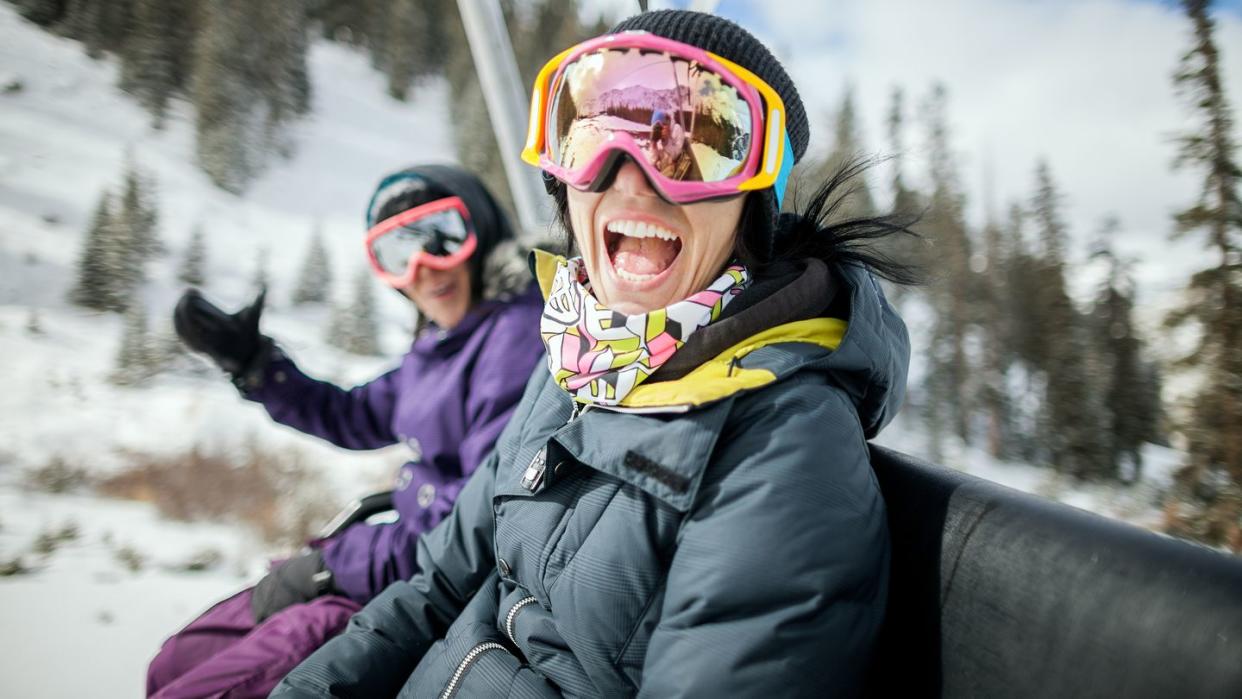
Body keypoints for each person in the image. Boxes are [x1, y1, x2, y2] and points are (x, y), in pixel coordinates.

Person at [274, 10, 917, 697]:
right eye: (594, 134)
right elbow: (436, 584)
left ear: (752, 199)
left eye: (691, 140)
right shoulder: (571, 361)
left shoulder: (783, 447)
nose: (633, 177)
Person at [146, 165, 545, 698]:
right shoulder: (441, 345)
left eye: (442, 238)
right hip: (383, 564)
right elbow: (352, 415)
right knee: (173, 663)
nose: (423, 269)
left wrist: (336, 564)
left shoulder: (512, 338)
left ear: (483, 237)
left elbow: (478, 524)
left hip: (413, 592)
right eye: (398, 254)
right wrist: (257, 366)